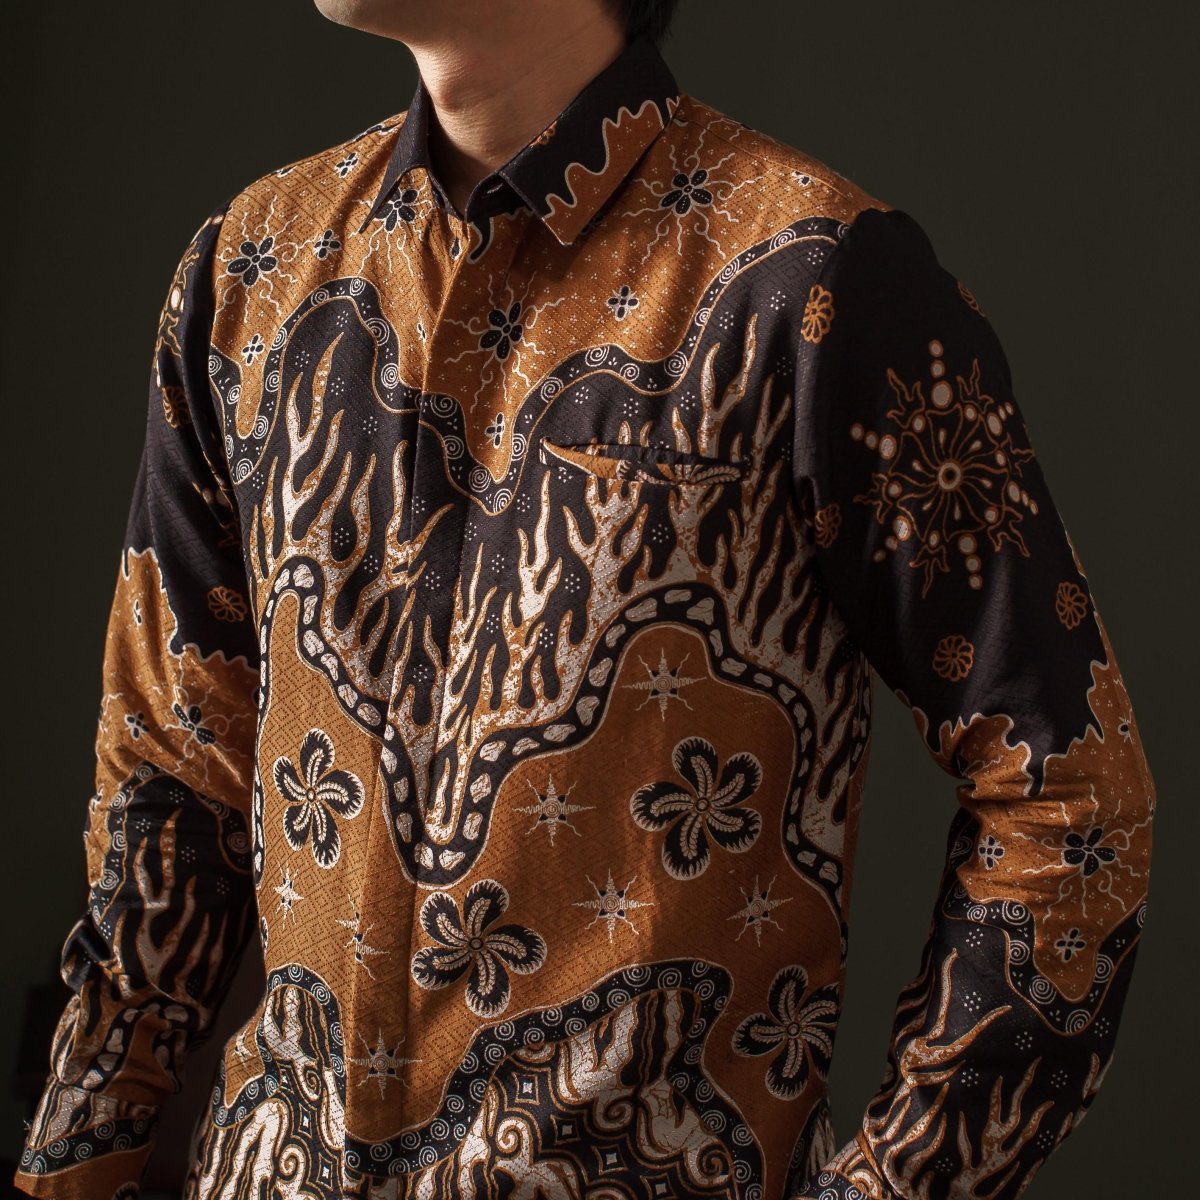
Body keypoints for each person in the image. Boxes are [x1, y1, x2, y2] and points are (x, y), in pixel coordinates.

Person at [13, 1, 1157, 1197]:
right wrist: (67, 1170)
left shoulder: (813, 281)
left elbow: (1074, 798)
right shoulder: (248, 270)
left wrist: (896, 1182)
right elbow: (170, 775)